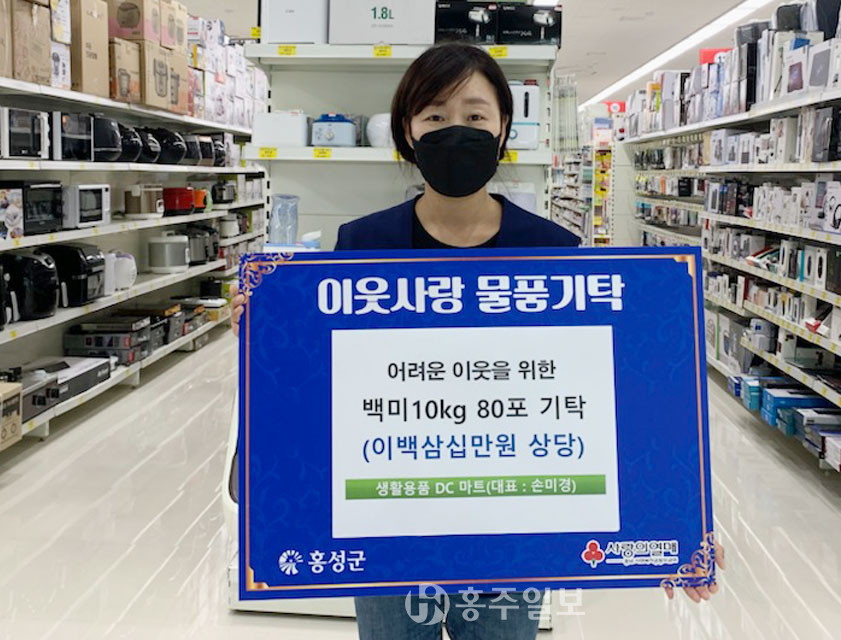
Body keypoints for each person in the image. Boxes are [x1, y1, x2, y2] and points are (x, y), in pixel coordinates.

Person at [230, 42, 722, 640]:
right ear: (407, 131)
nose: (455, 131)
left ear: (503, 127)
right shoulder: (363, 244)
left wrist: (674, 525)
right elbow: (324, 383)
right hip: (388, 527)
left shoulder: (553, 251)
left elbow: (613, 395)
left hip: (513, 527)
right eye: (435, 116)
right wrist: (270, 335)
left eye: (475, 115)